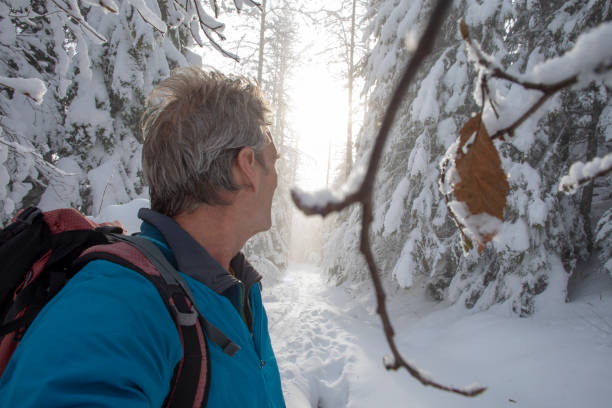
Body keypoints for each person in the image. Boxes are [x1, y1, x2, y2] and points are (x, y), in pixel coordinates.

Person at [0, 68, 285, 407]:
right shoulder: (116, 300)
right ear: (247, 166)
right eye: (274, 160)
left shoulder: (232, 290)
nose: (277, 179)